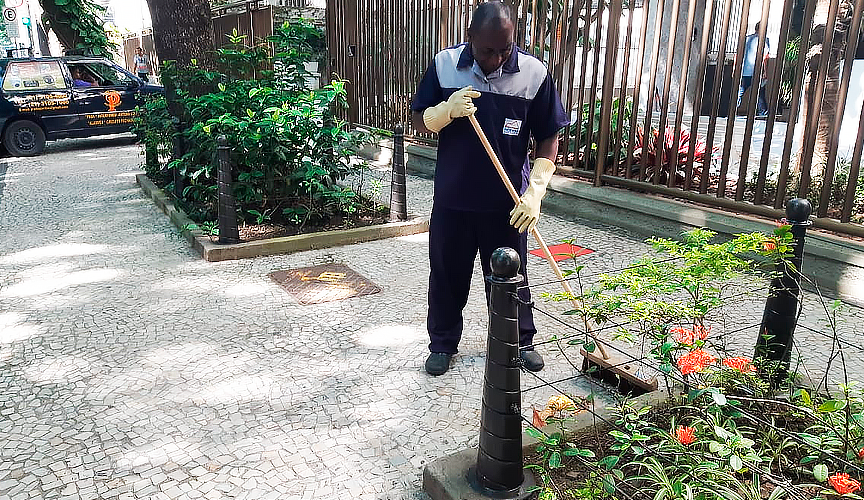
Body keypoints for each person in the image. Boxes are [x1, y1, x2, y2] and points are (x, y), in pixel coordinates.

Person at [411, 1, 568, 376]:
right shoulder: (445, 65)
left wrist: (535, 193)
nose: (497, 58)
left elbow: (549, 137)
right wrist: (444, 111)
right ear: (469, 38)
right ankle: (443, 344)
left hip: (508, 203)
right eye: (487, 50)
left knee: (512, 278)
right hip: (454, 199)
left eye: (504, 49)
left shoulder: (533, 73)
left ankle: (519, 342)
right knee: (447, 275)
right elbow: (418, 119)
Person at [737, 22, 769, 116]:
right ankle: (762, 114)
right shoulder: (764, 40)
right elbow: (765, 57)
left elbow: (738, 54)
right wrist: (765, 72)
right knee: (760, 94)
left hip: (744, 71)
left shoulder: (746, 39)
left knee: (739, 93)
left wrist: (735, 68)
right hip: (756, 72)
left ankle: (732, 111)